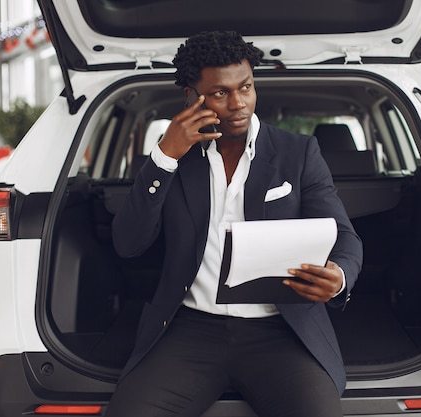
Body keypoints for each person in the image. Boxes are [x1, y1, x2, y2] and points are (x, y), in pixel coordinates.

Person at [108, 30, 363, 417]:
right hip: (188, 328)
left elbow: (344, 235)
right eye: (220, 93)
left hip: (281, 330)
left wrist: (339, 275)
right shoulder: (173, 159)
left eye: (245, 87)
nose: (238, 103)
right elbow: (128, 243)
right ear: (192, 98)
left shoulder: (298, 152)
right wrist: (165, 156)